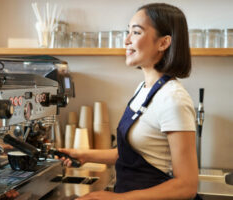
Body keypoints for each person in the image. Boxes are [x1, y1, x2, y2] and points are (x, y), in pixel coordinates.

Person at [59, 3, 200, 200]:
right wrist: (83, 154)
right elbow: (131, 155)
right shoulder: (143, 89)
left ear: (163, 43)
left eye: (135, 32)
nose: (126, 40)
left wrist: (116, 199)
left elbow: (186, 187)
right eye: (128, 32)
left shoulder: (173, 98)